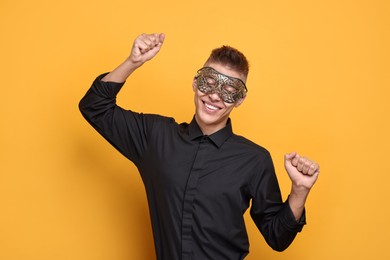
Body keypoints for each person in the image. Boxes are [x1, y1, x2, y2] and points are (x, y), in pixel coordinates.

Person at [79, 33, 320, 260]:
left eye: (228, 91)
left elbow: (278, 237)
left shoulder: (254, 160)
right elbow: (94, 106)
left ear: (239, 99)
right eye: (209, 82)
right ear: (195, 82)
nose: (215, 96)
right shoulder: (155, 137)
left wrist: (299, 191)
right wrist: (133, 61)